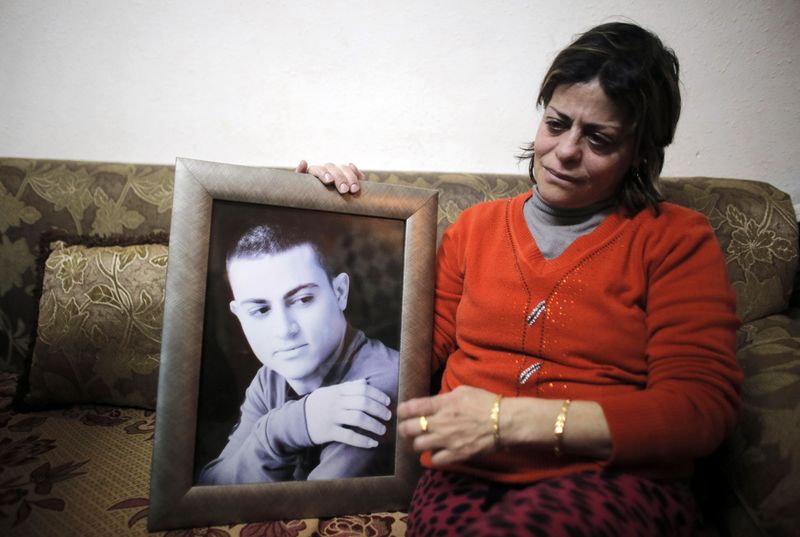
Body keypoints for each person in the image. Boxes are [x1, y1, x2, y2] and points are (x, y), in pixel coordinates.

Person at [298, 21, 742, 536]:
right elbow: (409, 357)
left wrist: (506, 422)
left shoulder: (674, 240)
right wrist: (318, 217)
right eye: (557, 124)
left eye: (599, 138)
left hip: (610, 480)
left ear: (641, 152)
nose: (567, 150)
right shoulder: (475, 230)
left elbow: (698, 410)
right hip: (465, 478)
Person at [198, 222, 399, 485]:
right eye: (260, 310)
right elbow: (211, 486)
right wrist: (286, 427)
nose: (284, 330)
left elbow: (311, 509)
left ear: (339, 292)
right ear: (238, 316)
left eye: (303, 299)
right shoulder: (271, 378)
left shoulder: (381, 385)